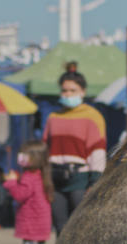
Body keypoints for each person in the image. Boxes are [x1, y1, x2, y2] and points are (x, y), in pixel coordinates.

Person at [43, 63, 106, 235]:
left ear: (82, 92)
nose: (68, 94)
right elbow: (45, 150)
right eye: (64, 91)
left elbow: (98, 152)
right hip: (56, 179)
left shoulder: (92, 117)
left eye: (72, 90)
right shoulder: (53, 117)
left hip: (80, 179)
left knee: (81, 229)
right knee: (60, 229)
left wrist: (94, 183)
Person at [2, 140, 54, 244]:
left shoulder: (29, 176)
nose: (21, 157)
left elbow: (20, 195)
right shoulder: (41, 175)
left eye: (25, 154)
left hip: (31, 224)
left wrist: (10, 182)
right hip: (41, 224)